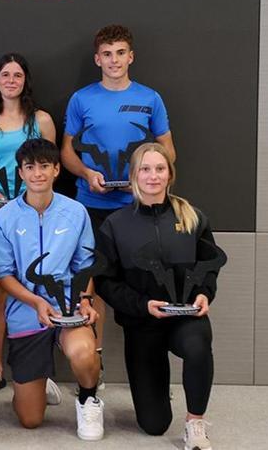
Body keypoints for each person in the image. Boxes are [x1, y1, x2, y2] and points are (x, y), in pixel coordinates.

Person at [60, 24, 176, 373]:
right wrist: (86, 174)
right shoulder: (82, 99)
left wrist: (140, 178)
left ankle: (150, 369)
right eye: (107, 54)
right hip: (91, 205)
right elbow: (66, 153)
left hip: (138, 207)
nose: (114, 60)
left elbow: (168, 150)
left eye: (120, 53)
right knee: (93, 284)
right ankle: (94, 370)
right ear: (98, 59)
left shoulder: (149, 98)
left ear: (131, 56)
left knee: (142, 281)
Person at [96, 143, 220, 450]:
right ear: (134, 176)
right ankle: (158, 392)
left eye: (160, 169)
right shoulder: (115, 224)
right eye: (145, 169)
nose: (153, 176)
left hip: (186, 317)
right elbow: (105, 282)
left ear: (170, 174)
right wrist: (143, 305)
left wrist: (204, 294)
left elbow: (208, 268)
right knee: (153, 425)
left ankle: (195, 423)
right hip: (142, 322)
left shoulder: (193, 217)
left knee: (198, 345)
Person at [0, 138, 104, 441]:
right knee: (29, 420)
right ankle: (37, 382)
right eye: (30, 167)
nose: (37, 173)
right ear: (21, 172)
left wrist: (85, 299)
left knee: (83, 353)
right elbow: (3, 274)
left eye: (44, 166)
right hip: (26, 312)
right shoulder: (4, 218)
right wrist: (35, 302)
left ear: (56, 170)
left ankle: (88, 398)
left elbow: (85, 265)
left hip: (68, 308)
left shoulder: (76, 212)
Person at [0, 53, 56, 397]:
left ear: (25, 80)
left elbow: (49, 166)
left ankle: (37, 370)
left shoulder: (41, 120)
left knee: (39, 287)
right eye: (5, 74)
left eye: (17, 74)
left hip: (33, 214)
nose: (11, 80)